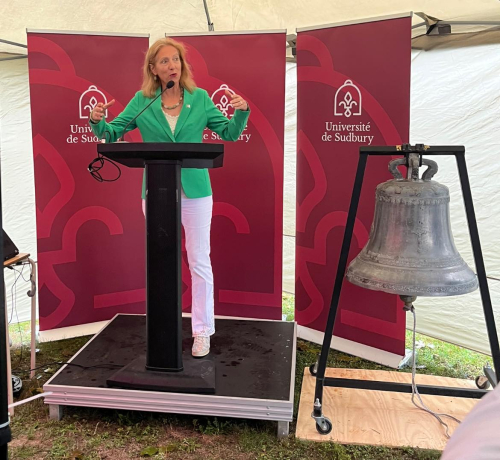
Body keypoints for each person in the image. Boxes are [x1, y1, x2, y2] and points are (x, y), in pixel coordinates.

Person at [89, 37, 250, 358]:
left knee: (199, 260)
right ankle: (163, 329)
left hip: (196, 192)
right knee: (163, 259)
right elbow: (111, 133)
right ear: (153, 69)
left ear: (182, 65)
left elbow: (229, 133)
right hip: (157, 192)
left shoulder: (200, 98)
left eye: (175, 59)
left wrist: (241, 112)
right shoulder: (142, 100)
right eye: (164, 61)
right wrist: (97, 120)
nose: (171, 65)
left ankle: (202, 331)